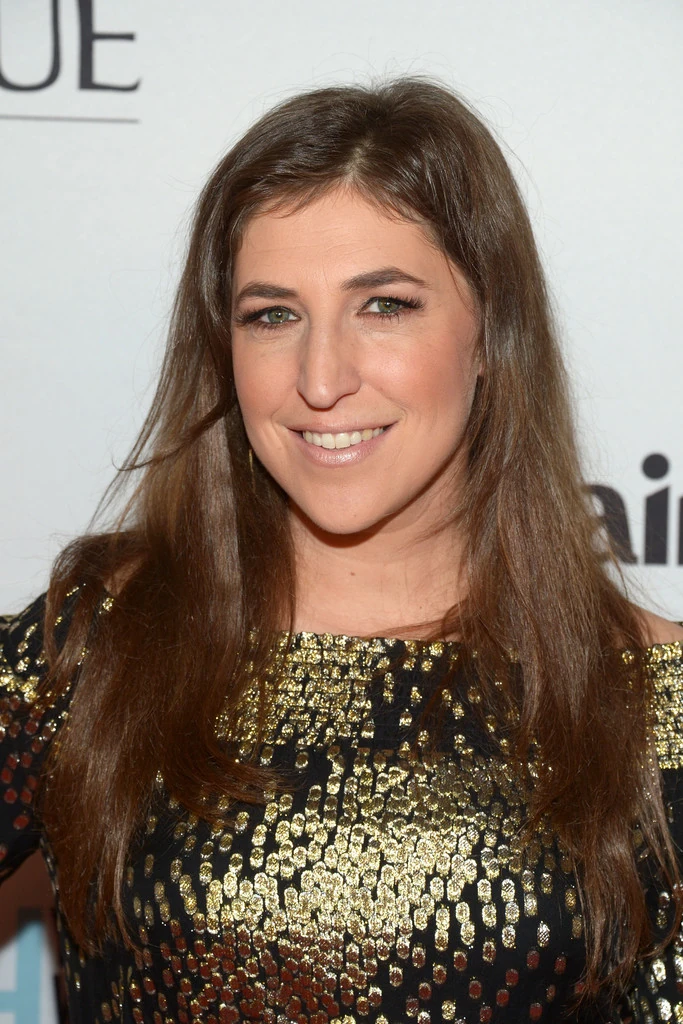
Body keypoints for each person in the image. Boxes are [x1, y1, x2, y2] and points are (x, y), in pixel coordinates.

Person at [1, 77, 682, 1024]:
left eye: (384, 306)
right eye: (272, 315)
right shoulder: (102, 641)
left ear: (490, 334)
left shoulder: (646, 694)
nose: (320, 379)